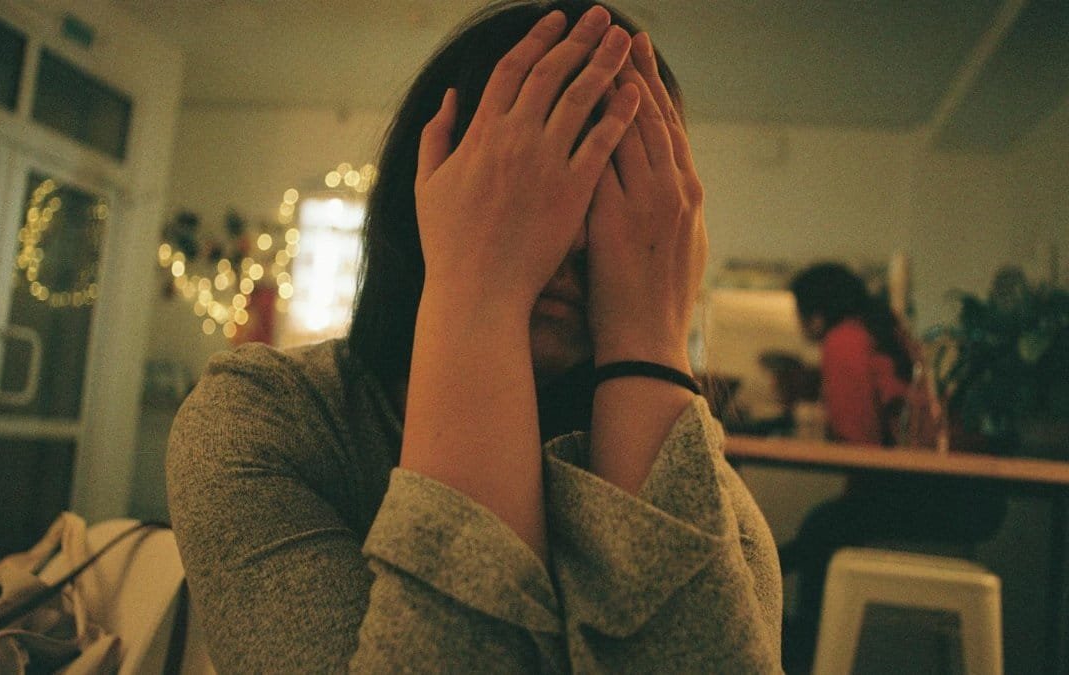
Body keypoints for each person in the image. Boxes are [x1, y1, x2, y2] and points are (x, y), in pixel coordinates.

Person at [167, 2, 782, 671]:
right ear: (423, 191)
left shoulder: (707, 501)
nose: (572, 236)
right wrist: (477, 291)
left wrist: (649, 335)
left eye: (610, 186)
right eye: (528, 181)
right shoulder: (269, 418)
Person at [778, 262, 1005, 669]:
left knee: (820, 530)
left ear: (814, 310)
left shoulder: (843, 340)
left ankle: (799, 651)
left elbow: (859, 443)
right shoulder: (884, 329)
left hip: (936, 497)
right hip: (969, 495)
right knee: (824, 531)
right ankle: (798, 642)